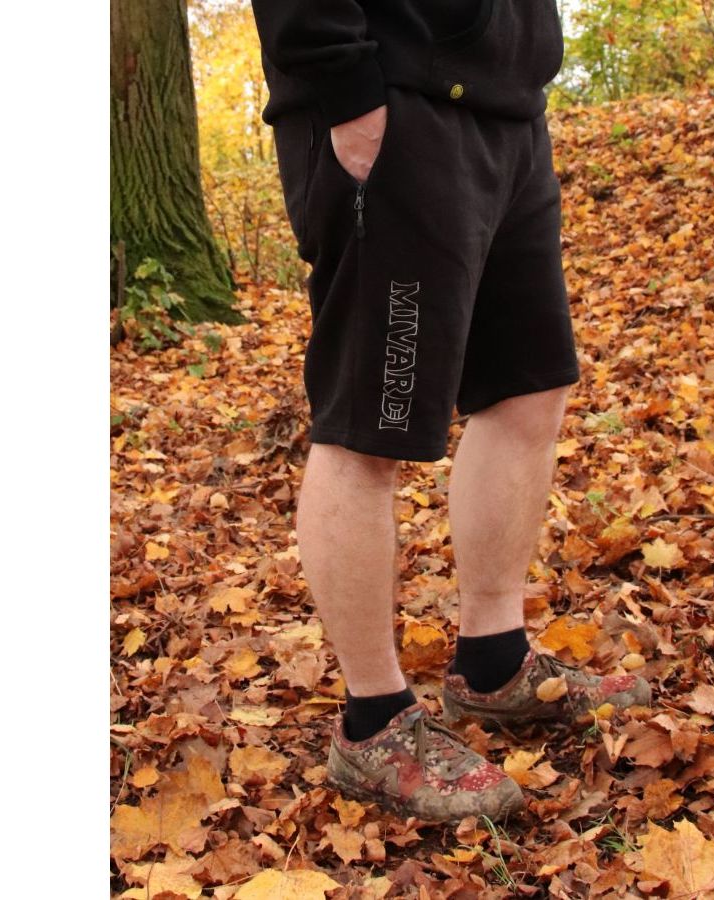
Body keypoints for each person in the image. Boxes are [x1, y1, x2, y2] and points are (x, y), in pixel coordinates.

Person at [249, 0, 650, 824]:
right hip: (394, 99)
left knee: (527, 388)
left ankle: (494, 664)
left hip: (505, 108)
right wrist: (343, 84)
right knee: (371, 422)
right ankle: (374, 724)